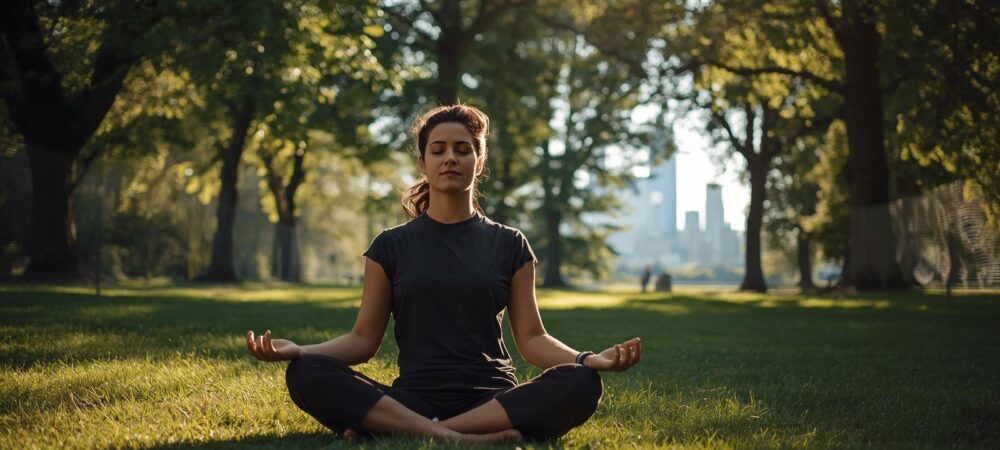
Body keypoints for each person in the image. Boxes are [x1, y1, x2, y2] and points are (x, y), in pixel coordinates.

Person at [246, 105, 641, 443]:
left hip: (492, 401)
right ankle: (452, 437)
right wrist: (300, 351)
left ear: (479, 161)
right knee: (306, 374)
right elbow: (363, 340)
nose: (450, 157)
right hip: (414, 396)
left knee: (581, 383)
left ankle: (400, 430)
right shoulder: (389, 245)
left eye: (462, 149)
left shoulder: (510, 244)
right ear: (423, 163)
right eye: (438, 150)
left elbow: (533, 339)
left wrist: (588, 360)